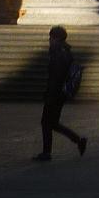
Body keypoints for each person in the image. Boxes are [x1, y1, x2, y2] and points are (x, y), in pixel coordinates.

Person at [35, 25, 88, 161]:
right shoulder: (64, 51)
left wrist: (50, 95)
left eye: (51, 37)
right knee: (53, 123)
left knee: (47, 122)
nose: (49, 40)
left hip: (56, 93)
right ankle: (78, 141)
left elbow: (56, 77)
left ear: (56, 38)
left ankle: (47, 153)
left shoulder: (59, 53)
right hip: (60, 93)